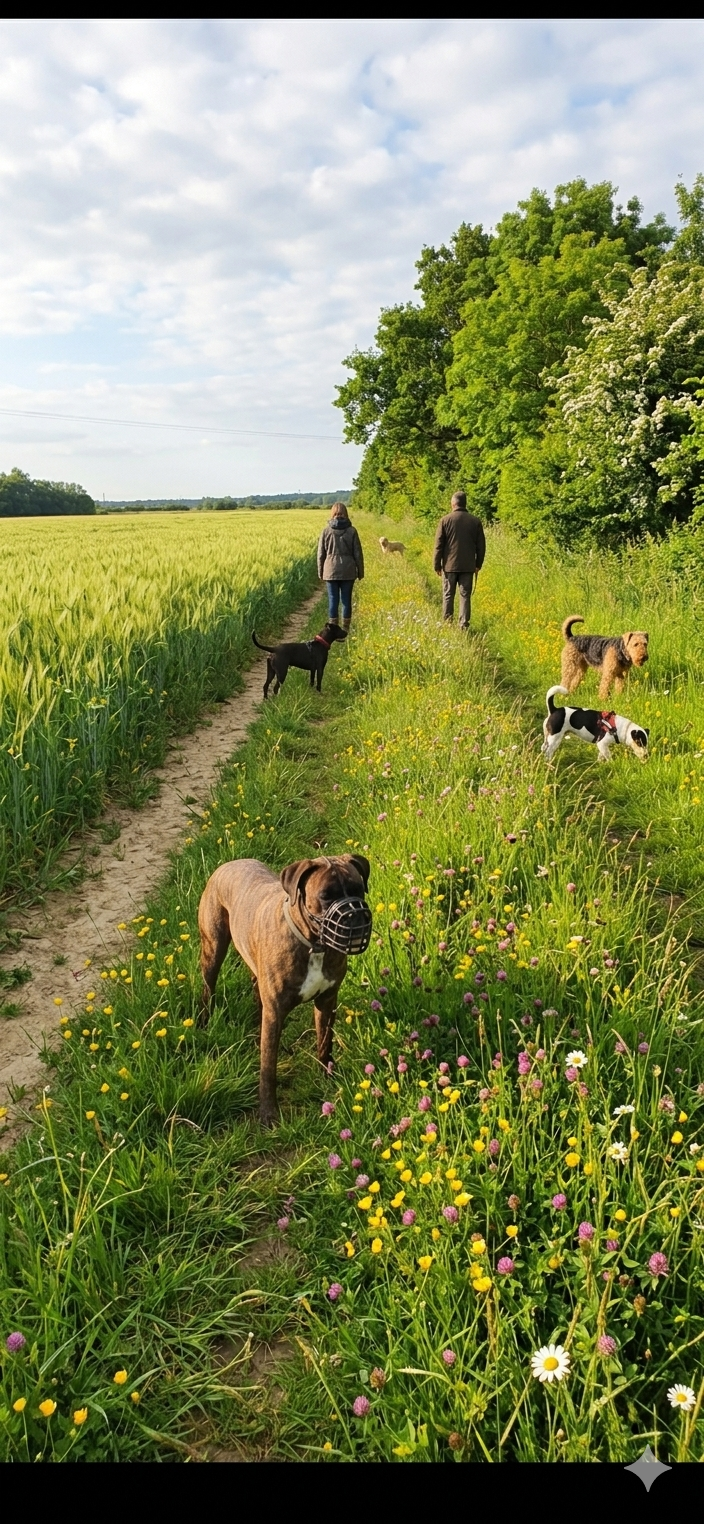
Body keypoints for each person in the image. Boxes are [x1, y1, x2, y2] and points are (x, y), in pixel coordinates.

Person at [433, 490, 486, 630]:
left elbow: (439, 545)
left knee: (448, 594)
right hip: (468, 566)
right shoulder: (475, 521)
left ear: (453, 504)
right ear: (464, 504)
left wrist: (437, 565)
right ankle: (463, 625)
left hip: (449, 566)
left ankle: (447, 623)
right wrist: (478, 564)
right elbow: (481, 546)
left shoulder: (445, 520)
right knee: (465, 596)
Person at [317, 501, 364, 630]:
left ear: (332, 514)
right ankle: (345, 630)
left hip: (330, 570)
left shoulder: (326, 531)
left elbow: (321, 553)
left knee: (333, 600)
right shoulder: (352, 531)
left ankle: (332, 631)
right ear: (346, 514)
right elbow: (358, 554)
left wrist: (320, 572)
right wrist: (360, 572)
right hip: (348, 570)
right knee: (346, 601)